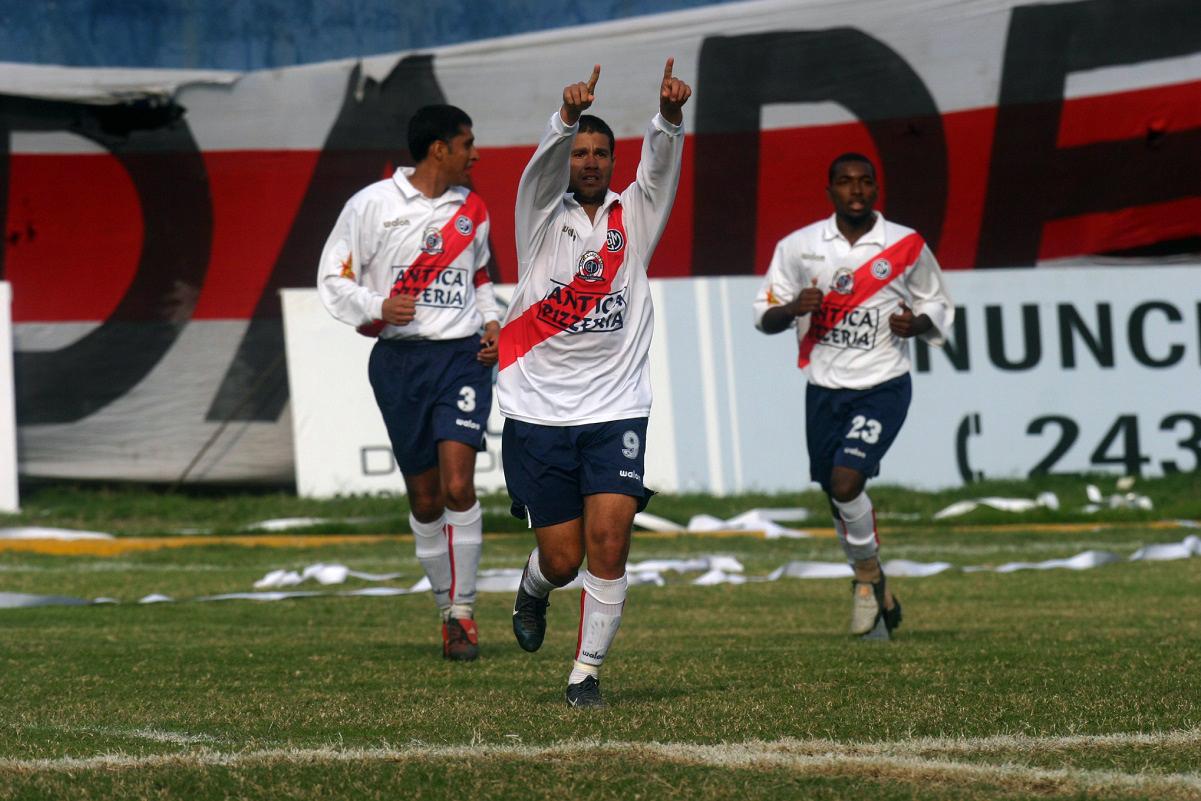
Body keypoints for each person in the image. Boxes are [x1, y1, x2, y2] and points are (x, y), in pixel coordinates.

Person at [497, 60, 691, 707]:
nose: (588, 160)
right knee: (561, 559)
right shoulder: (536, 218)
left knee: (608, 543)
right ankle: (532, 589)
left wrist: (666, 118)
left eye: (599, 151)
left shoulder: (633, 217)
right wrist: (563, 117)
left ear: (612, 160)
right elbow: (536, 172)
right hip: (537, 411)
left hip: (615, 409)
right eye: (578, 150)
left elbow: (660, 169)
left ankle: (585, 673)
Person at [317, 104, 500, 661]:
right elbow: (331, 276)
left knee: (458, 486)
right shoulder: (370, 205)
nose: (476, 153)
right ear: (439, 149)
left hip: (463, 357)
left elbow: (482, 275)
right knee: (424, 499)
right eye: (468, 143)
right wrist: (377, 304)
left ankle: (465, 614)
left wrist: (492, 322)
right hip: (400, 363)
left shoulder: (473, 208)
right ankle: (444, 608)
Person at [753, 152, 954, 638]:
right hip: (824, 388)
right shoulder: (799, 247)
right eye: (846, 182)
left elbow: (936, 301)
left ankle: (865, 577)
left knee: (847, 482)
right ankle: (877, 580)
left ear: (876, 190)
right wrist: (793, 308)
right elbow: (765, 314)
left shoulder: (905, 245)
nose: (856, 190)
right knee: (835, 495)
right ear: (830, 191)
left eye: (865, 181)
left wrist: (919, 322)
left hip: (884, 384)